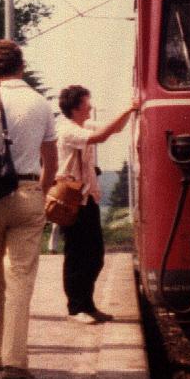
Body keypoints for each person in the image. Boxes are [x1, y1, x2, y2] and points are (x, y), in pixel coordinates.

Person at [0, 39, 57, 379]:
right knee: (21, 279)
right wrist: (42, 189)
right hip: (27, 191)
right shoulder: (40, 103)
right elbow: (50, 158)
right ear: (22, 66)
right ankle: (16, 360)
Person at [56, 86, 139, 324]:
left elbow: (114, 129)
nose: (90, 107)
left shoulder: (83, 126)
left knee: (94, 255)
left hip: (86, 198)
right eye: (86, 103)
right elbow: (100, 136)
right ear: (75, 108)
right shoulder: (67, 130)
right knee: (76, 254)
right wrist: (128, 108)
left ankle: (88, 304)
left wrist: (129, 112)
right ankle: (76, 307)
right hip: (71, 199)